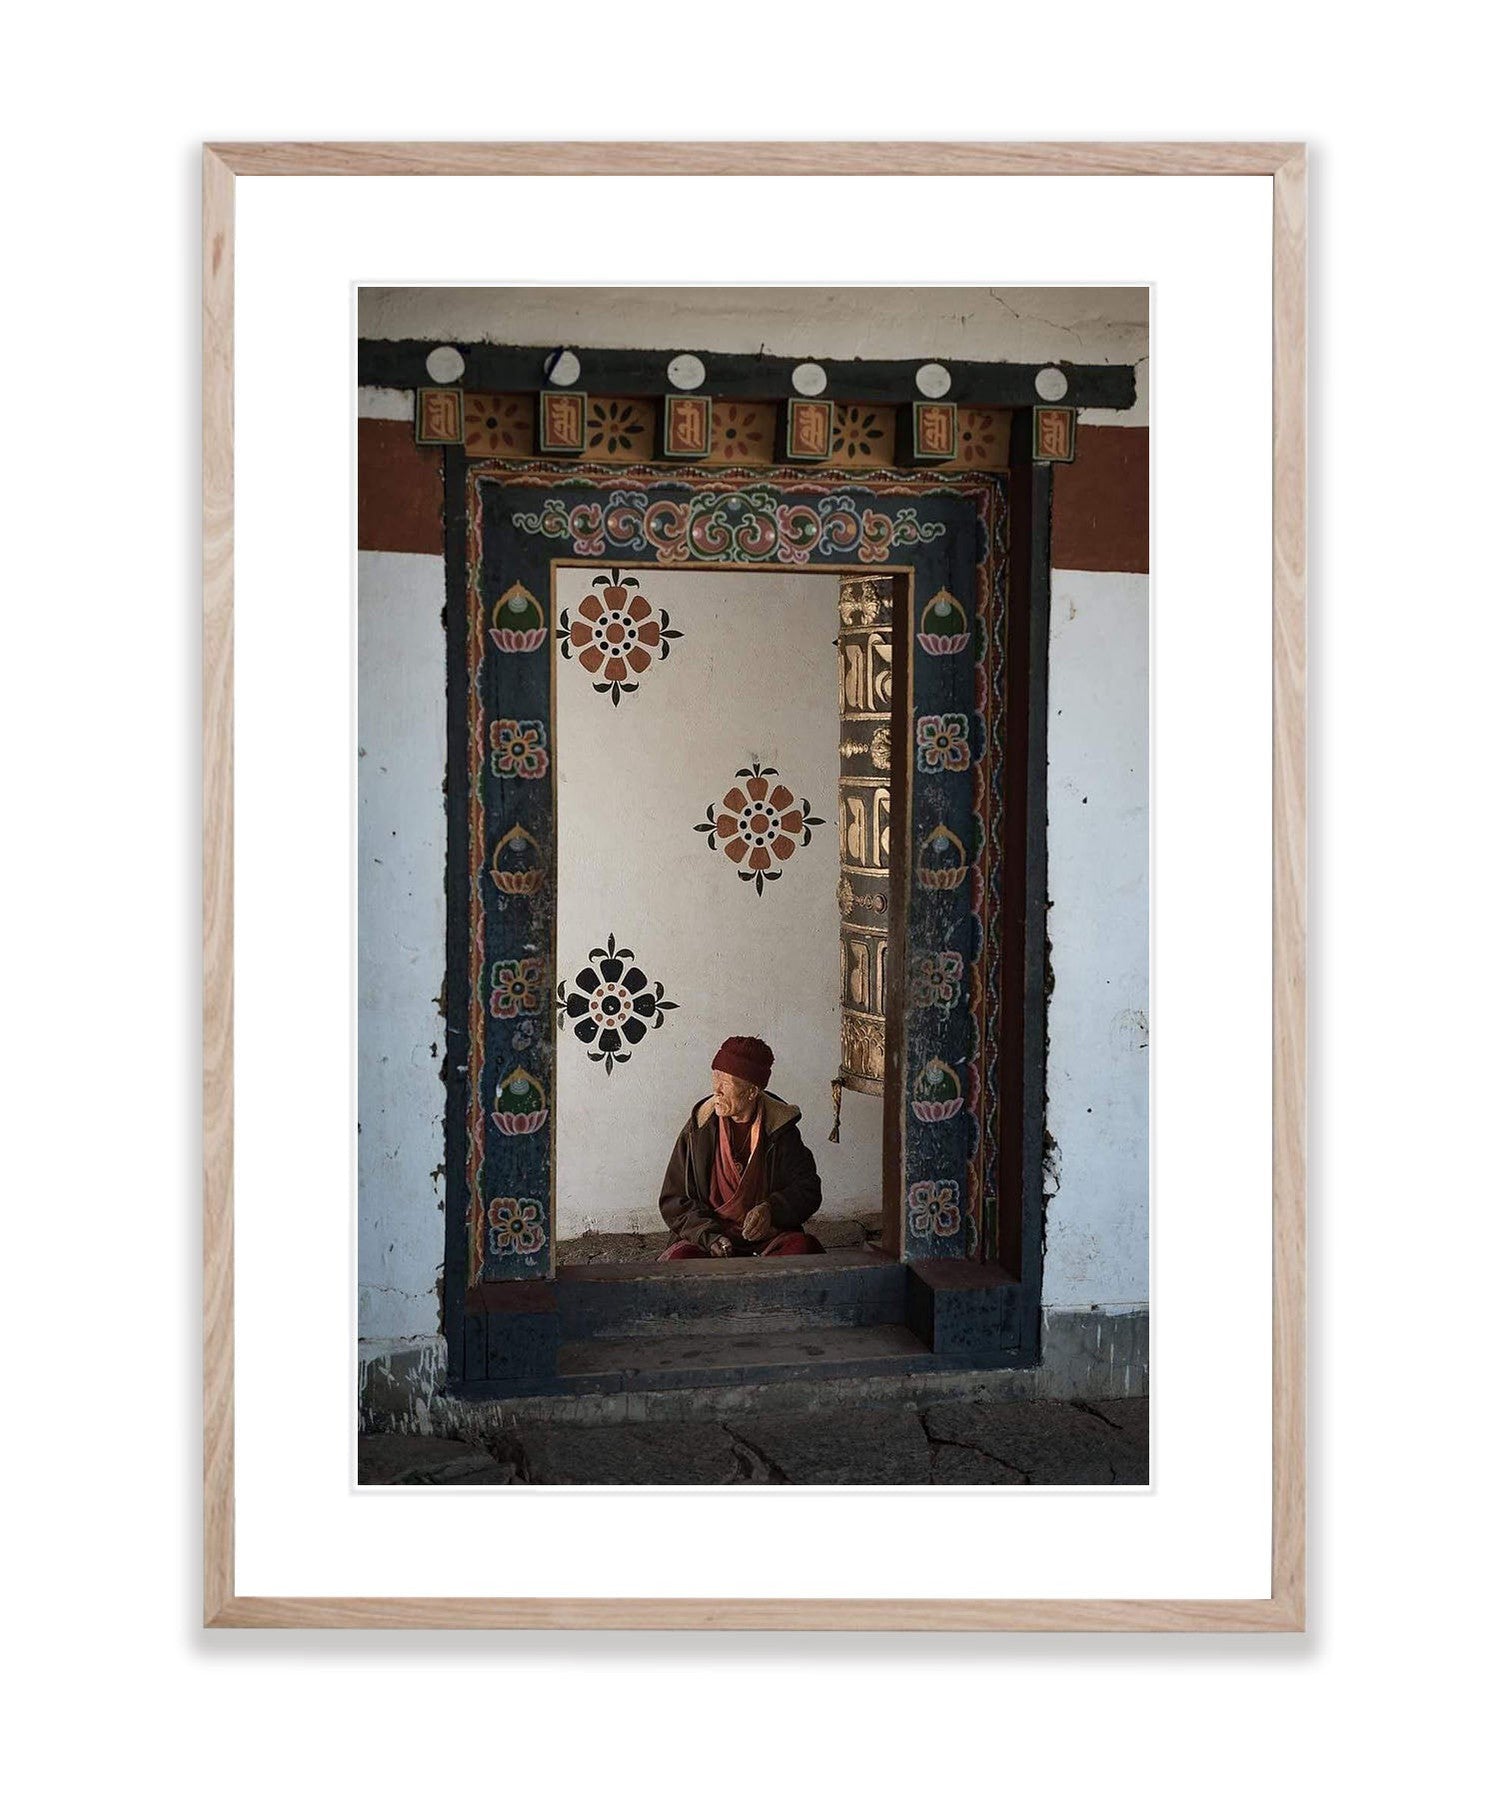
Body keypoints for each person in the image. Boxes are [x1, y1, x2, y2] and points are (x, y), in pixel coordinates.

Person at [657, 1036, 825, 1259]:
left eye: (725, 1084)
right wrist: (708, 1236)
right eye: (714, 1078)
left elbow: (808, 1189)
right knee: (681, 1262)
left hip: (766, 1236)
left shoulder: (780, 1129)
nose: (716, 1090)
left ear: (752, 1092)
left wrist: (771, 1210)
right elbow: (674, 1199)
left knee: (803, 1250)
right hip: (710, 1238)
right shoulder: (699, 1128)